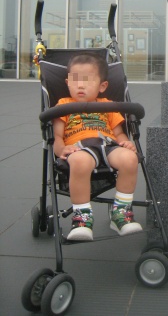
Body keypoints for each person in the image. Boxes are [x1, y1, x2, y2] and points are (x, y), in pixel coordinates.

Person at [53, 53, 142, 241]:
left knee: (130, 158)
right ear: (67, 82)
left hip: (108, 144)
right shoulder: (63, 105)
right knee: (79, 161)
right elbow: (57, 137)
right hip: (80, 147)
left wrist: (124, 141)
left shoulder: (108, 105)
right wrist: (61, 150)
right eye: (75, 81)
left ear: (102, 86)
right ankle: (82, 218)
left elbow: (118, 133)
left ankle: (121, 212)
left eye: (87, 81)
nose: (81, 85)